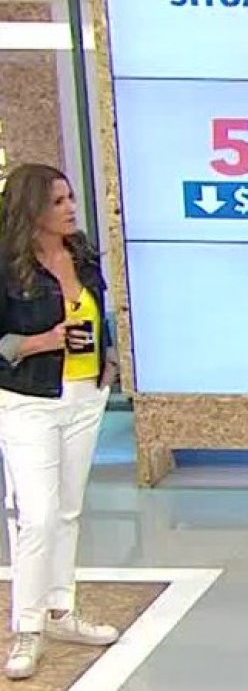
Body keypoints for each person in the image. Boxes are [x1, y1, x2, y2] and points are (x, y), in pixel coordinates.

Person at [0, 164, 121, 680]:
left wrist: (108, 360)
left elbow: (96, 314)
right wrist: (40, 343)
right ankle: (26, 628)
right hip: (29, 399)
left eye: (70, 198)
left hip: (84, 395)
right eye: (58, 201)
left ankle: (60, 610)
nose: (71, 208)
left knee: (68, 511)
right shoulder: (7, 267)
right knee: (39, 515)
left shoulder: (81, 254)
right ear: (31, 209)